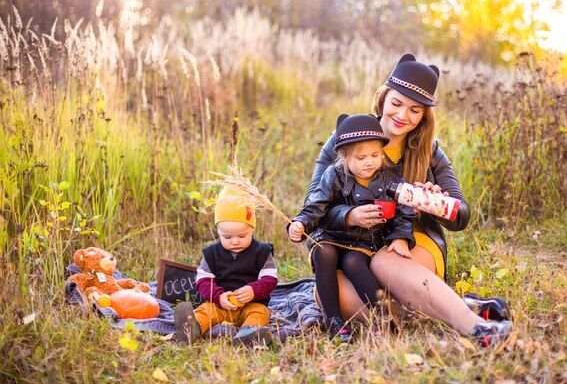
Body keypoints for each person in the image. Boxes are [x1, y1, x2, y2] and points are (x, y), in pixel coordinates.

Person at [306, 53, 512, 346]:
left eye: (415, 110)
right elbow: (313, 205)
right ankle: (468, 305)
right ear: (383, 98)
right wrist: (349, 216)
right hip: (352, 250)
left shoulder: (430, 152)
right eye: (397, 103)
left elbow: (462, 216)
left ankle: (476, 327)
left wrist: (435, 204)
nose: (403, 115)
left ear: (423, 116)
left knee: (383, 263)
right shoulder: (346, 139)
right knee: (338, 299)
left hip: (409, 246)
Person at [288, 114, 416, 343]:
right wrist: (299, 223)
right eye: (361, 157)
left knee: (353, 262)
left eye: (375, 155)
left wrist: (400, 238)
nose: (369, 162)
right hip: (332, 236)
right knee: (323, 251)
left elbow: (405, 212)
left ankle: (382, 317)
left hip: (364, 242)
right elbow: (317, 205)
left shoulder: (390, 180)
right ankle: (335, 321)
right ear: (343, 158)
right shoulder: (333, 176)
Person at [174, 188, 278, 347]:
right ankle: (192, 328)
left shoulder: (262, 253)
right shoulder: (212, 254)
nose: (235, 241)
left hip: (251, 304)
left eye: (242, 236)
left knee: (260, 313)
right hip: (219, 305)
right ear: (218, 232)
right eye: (227, 237)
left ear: (252, 229)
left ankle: (249, 333)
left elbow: (270, 279)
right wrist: (219, 297)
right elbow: (203, 281)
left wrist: (253, 291)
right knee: (206, 310)